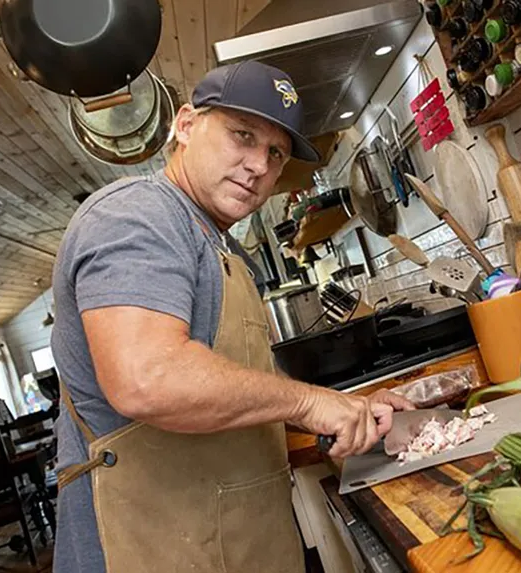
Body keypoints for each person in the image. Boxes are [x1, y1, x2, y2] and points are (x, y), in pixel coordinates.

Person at [51, 61, 414, 573]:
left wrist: (348, 407)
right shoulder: (137, 216)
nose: (258, 166)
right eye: (241, 135)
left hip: (235, 541)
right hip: (150, 548)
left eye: (275, 153)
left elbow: (248, 381)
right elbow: (147, 379)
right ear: (185, 125)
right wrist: (310, 403)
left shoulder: (225, 248)